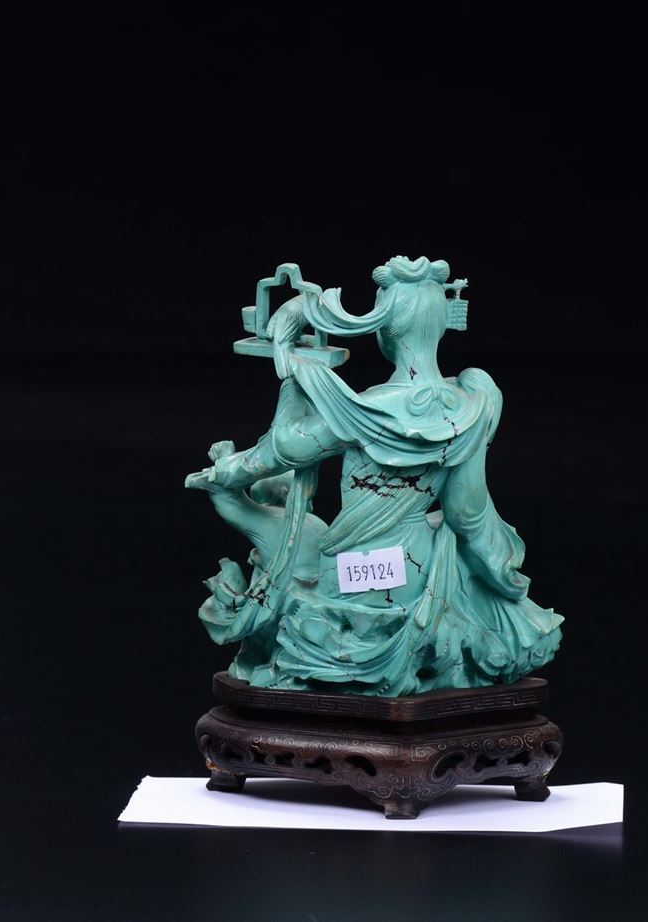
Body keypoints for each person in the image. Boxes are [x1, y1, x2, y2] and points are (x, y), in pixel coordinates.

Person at [185, 255, 563, 695]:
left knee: (299, 533)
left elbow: (280, 449)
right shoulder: (470, 406)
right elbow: (466, 514)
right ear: (442, 324)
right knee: (445, 540)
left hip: (353, 575)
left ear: (384, 329)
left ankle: (236, 509)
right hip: (417, 575)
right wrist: (503, 576)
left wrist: (227, 468)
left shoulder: (363, 409)